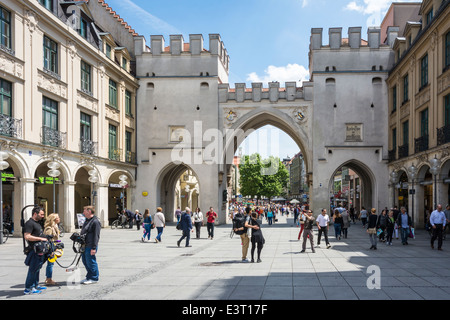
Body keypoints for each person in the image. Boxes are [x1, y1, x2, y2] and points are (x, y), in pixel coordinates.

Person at [23, 206, 48, 295]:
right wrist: (41, 238)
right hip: (34, 250)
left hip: (39, 250)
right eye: (41, 214)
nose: (43, 216)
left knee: (37, 268)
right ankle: (28, 288)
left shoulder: (37, 223)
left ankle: (35, 285)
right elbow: (27, 236)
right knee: (33, 269)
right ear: (35, 214)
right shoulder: (29, 223)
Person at [80, 206, 101, 284]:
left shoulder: (95, 221)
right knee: (85, 261)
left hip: (91, 245)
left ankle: (94, 278)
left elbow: (96, 235)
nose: (83, 212)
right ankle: (89, 276)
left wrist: (94, 247)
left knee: (91, 261)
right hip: (84, 244)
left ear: (89, 211)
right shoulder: (87, 220)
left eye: (84, 211)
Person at [43, 213, 60, 286]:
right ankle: (48, 279)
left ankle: (49, 278)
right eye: (57, 217)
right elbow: (47, 240)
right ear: (54, 219)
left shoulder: (55, 226)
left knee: (51, 263)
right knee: (50, 263)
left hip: (54, 246)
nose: (59, 218)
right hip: (50, 248)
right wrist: (51, 250)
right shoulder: (49, 228)